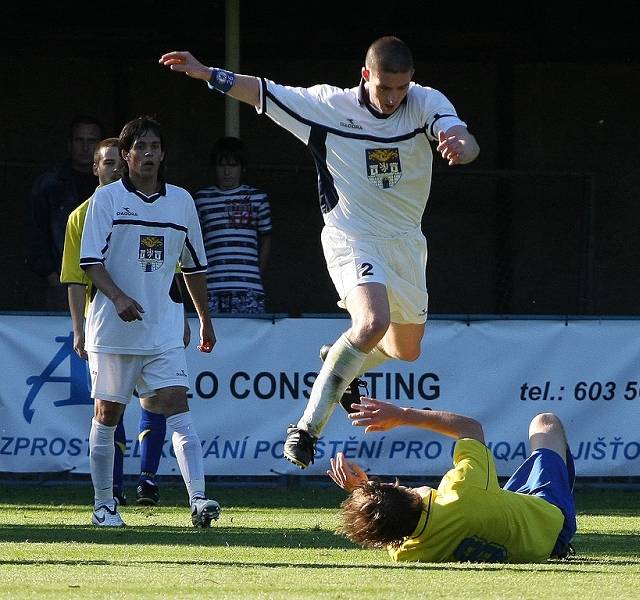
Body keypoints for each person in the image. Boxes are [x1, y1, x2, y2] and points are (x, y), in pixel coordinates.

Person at [160, 36, 480, 468]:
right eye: (385, 88)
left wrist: (461, 146)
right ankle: (306, 429)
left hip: (406, 242)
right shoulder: (329, 107)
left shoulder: (424, 102)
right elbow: (262, 90)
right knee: (372, 322)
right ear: (365, 76)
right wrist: (206, 74)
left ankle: (339, 358)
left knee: (406, 351)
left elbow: (461, 134)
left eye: (401, 89)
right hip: (352, 235)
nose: (393, 99)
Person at [79, 116, 220, 528]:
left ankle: (199, 501)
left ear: (163, 154)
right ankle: (104, 506)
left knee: (178, 407)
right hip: (112, 329)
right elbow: (90, 262)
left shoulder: (181, 201)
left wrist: (205, 320)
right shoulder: (105, 201)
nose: (149, 154)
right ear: (125, 156)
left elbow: (193, 266)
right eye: (141, 147)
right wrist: (119, 297)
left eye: (155, 147)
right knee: (107, 414)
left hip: (162, 329)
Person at [60, 137, 174, 508]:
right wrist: (79, 328)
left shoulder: (152, 207)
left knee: (156, 400)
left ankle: (148, 479)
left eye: (117, 163)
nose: (114, 169)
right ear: (95, 168)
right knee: (111, 408)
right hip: (108, 324)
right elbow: (77, 278)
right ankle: (111, 492)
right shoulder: (82, 214)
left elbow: (166, 268)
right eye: (106, 163)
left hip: (152, 323)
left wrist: (178, 314)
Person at [327, 398, 577, 563]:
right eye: (398, 486)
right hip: (550, 522)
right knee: (545, 423)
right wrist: (403, 415)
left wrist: (361, 491)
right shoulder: (462, 489)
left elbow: (384, 526)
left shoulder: (408, 553)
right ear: (411, 496)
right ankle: (565, 496)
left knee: (493, 499)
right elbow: (470, 428)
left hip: (510, 525)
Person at [28, 115, 104, 311]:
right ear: (69, 144)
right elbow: (36, 234)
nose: (86, 147)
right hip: (63, 282)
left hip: (107, 283)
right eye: (80, 140)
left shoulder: (115, 187)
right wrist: (52, 276)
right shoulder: (49, 185)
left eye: (92, 141)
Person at [194, 136, 272, 314]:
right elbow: (194, 242)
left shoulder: (257, 197)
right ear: (214, 167)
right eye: (222, 165)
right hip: (212, 285)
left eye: (232, 165)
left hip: (249, 286)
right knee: (210, 338)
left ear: (242, 167)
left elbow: (266, 238)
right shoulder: (202, 198)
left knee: (251, 338)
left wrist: (257, 272)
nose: (227, 172)